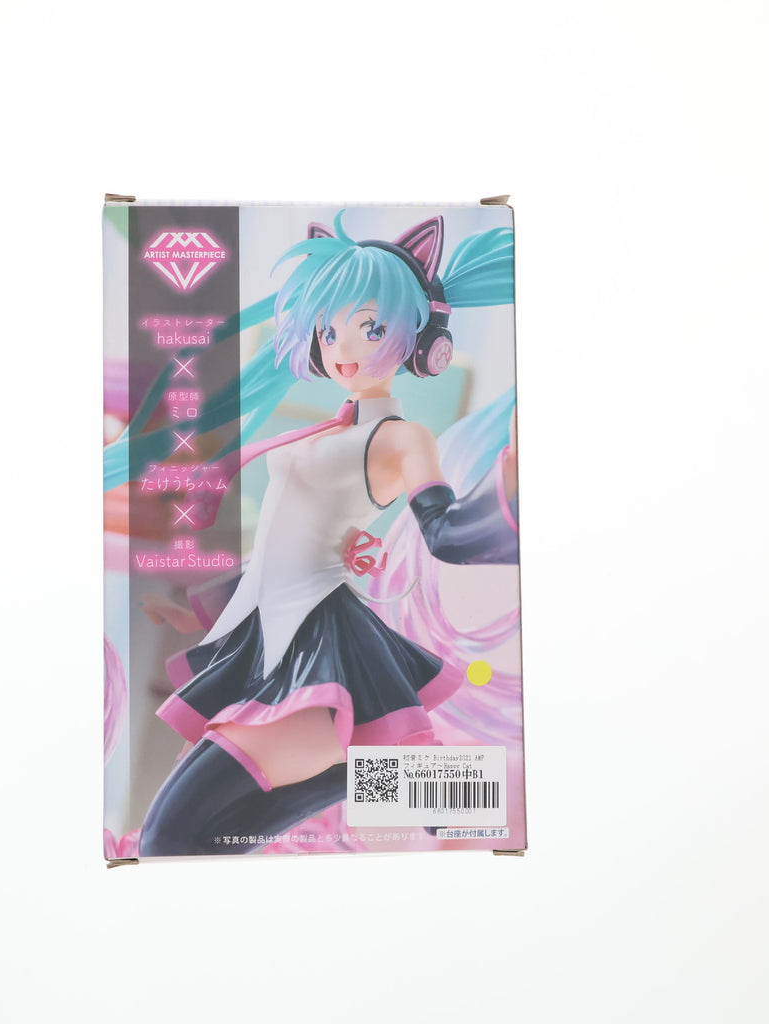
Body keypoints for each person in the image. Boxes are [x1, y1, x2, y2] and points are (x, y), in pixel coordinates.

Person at [109, 211, 518, 855]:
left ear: (421, 339)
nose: (343, 347)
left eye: (370, 328)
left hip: (317, 656)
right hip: (268, 642)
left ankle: (411, 782)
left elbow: (444, 534)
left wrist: (509, 493)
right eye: (329, 330)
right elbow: (284, 538)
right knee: (191, 841)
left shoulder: (402, 438)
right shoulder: (333, 428)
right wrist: (206, 610)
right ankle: (387, 779)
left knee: (169, 838)